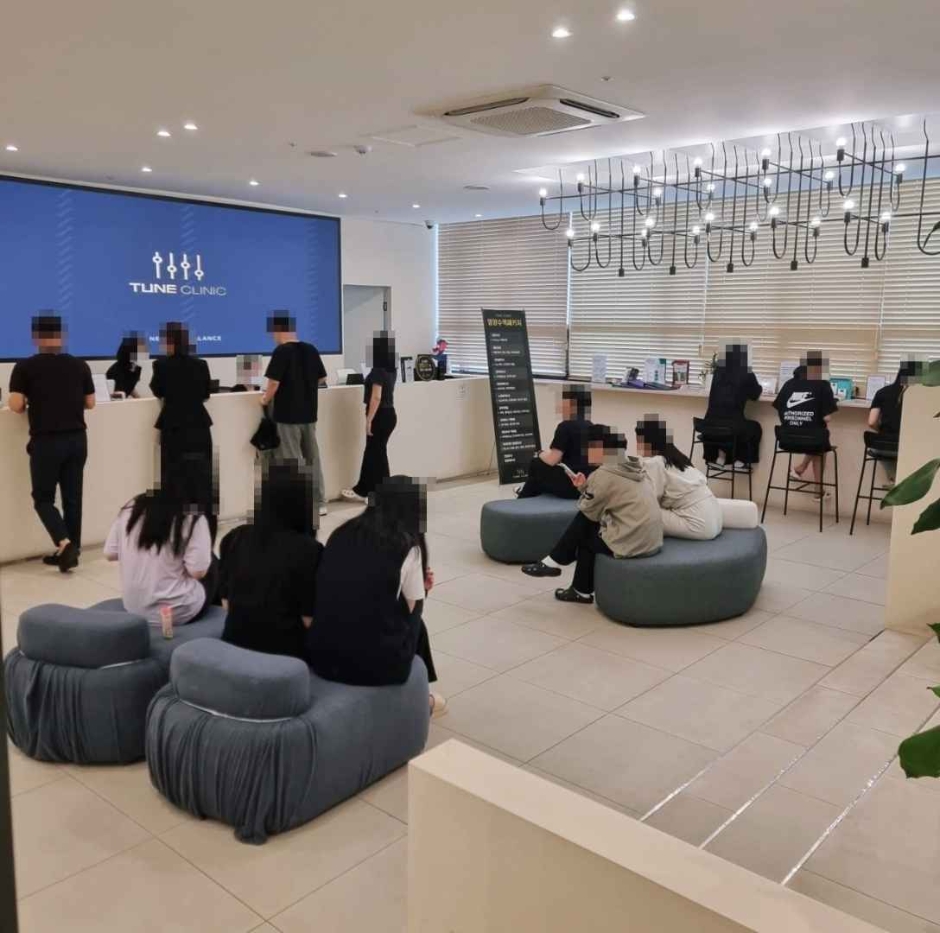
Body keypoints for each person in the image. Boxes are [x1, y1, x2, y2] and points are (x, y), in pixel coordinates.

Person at [307, 475, 445, 716]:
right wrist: (422, 590)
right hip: (374, 668)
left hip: (320, 656)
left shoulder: (341, 533)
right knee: (416, 619)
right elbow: (410, 611)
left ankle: (421, 693)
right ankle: (420, 700)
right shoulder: (408, 546)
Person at [521, 425, 662, 603]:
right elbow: (605, 498)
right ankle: (567, 574)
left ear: (599, 448)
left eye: (589, 447)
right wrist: (583, 487)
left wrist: (586, 491)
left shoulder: (604, 473)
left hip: (632, 542)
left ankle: (559, 565)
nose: (586, 453)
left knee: (585, 531)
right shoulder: (630, 467)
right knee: (589, 528)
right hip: (650, 538)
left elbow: (589, 510)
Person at [8, 313, 95, 572]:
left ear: (36, 337)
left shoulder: (25, 367)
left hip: (47, 441)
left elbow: (16, 405)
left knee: (43, 498)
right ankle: (72, 552)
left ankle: (64, 543)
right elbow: (90, 402)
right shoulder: (80, 365)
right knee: (73, 499)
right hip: (77, 439)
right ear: (62, 336)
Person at [218, 460, 323, 660]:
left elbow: (226, 603)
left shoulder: (234, 538)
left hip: (234, 647)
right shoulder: (310, 551)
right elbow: (308, 620)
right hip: (285, 658)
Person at [104, 463, 219, 637]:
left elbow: (110, 553)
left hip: (132, 606)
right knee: (213, 562)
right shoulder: (193, 516)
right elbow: (198, 573)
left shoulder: (133, 506)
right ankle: (220, 620)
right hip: (177, 611)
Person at [260, 313, 328, 518]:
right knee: (312, 458)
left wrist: (264, 400)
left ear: (278, 330)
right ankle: (319, 502)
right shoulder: (311, 349)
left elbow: (274, 383)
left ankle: (298, 504)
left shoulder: (281, 351)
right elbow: (322, 378)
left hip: (287, 415)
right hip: (309, 414)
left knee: (291, 460)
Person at [150, 322, 215, 533]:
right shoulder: (201, 364)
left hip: (173, 427)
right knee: (202, 477)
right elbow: (205, 393)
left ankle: (175, 525)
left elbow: (157, 390)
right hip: (199, 427)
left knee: (172, 476)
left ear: (169, 341)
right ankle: (203, 525)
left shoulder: (161, 365)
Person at [636, 415, 722, 540]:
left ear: (648, 442)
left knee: (639, 512)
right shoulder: (679, 458)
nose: (637, 446)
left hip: (699, 523)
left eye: (639, 441)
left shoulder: (655, 462)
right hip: (716, 517)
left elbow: (651, 500)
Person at [342, 331, 398, 503]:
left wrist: (369, 420)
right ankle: (364, 489)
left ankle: (377, 492)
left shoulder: (378, 369)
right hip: (389, 414)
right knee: (375, 452)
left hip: (379, 415)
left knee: (376, 453)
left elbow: (376, 397)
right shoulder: (391, 369)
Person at [773, 351, 838, 499]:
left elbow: (779, 408)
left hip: (786, 439)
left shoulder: (788, 384)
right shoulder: (822, 385)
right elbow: (827, 418)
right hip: (812, 440)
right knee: (819, 438)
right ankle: (816, 488)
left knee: (816, 437)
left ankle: (803, 471)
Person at [516, 384, 594, 499]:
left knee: (536, 463)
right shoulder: (592, 426)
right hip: (586, 485)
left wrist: (540, 453)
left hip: (571, 485)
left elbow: (552, 460)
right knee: (541, 472)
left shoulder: (565, 426)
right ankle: (527, 493)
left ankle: (524, 497)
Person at [703, 342, 763, 466]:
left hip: (709, 427)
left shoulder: (718, 372)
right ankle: (740, 460)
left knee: (729, 426)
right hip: (731, 428)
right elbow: (755, 395)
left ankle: (721, 455)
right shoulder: (746, 373)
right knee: (754, 428)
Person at [868, 359, 924, 483]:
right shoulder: (920, 398)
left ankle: (894, 480)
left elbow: (871, 422)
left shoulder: (882, 392)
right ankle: (899, 482)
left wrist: (881, 430)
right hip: (906, 446)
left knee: (894, 465)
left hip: (883, 446)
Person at [105, 333, 145, 398]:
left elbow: (130, 386)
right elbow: (118, 392)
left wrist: (139, 398)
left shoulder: (134, 367)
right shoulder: (117, 369)